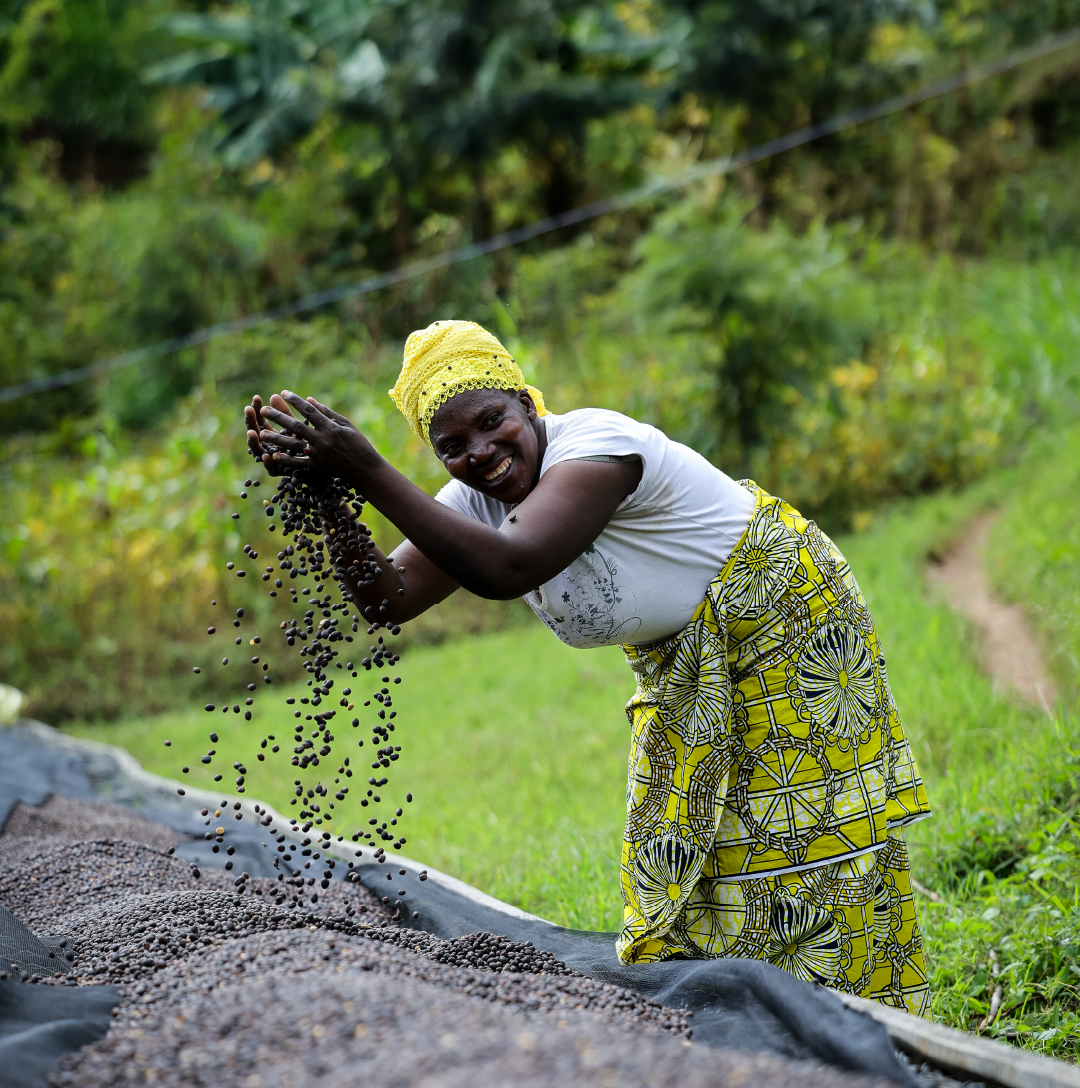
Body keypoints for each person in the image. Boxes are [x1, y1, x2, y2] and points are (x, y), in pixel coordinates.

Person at [246, 318, 932, 1015]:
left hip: (783, 615)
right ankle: (751, 1020)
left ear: (527, 403)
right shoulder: (475, 502)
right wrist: (329, 491)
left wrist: (367, 469)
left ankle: (860, 1018)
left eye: (493, 421)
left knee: (798, 833)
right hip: (684, 654)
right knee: (682, 844)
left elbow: (508, 566)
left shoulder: (597, 448)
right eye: (452, 446)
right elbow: (385, 597)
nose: (481, 452)